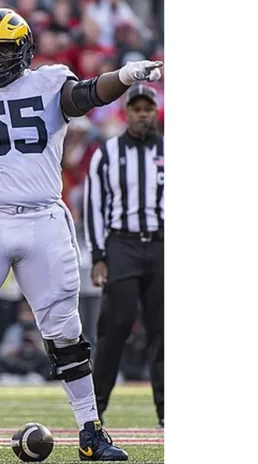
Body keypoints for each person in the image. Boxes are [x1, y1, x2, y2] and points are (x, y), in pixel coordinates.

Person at [0, 8, 162, 462]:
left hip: (42, 218)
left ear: (24, 49)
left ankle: (91, 432)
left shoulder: (49, 82)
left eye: (4, 49)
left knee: (66, 328)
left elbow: (86, 94)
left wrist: (122, 76)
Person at [83, 83, 165, 428]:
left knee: (164, 329)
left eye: (148, 109)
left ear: (156, 111)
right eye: (137, 109)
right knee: (115, 326)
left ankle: (167, 410)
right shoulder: (107, 153)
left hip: (162, 243)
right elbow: (94, 205)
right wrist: (98, 255)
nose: (143, 115)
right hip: (122, 244)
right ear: (126, 112)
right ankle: (95, 409)